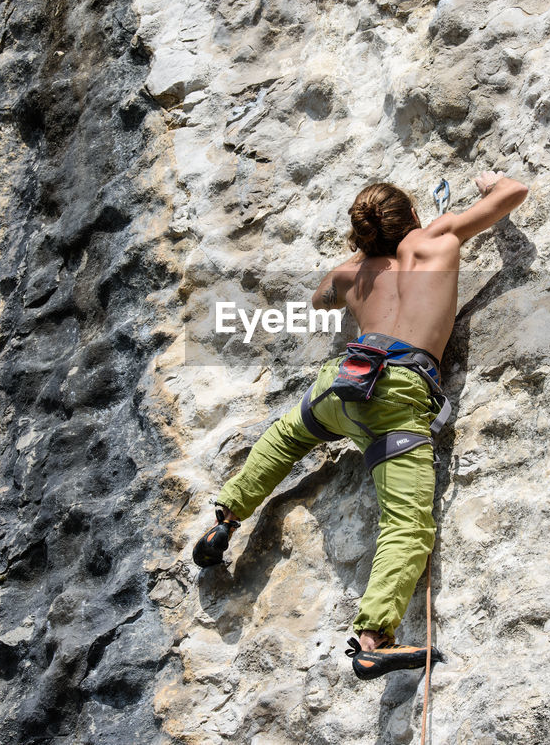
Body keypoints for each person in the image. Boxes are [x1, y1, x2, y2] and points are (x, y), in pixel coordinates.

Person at [192, 171, 529, 679]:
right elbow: (513, 193)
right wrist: (485, 183)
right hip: (396, 396)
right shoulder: (434, 237)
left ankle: (225, 518)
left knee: (287, 437)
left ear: (363, 234)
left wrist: (362, 258)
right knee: (408, 523)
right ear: (411, 216)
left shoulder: (354, 275)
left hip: (342, 382)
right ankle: (373, 639)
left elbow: (319, 299)